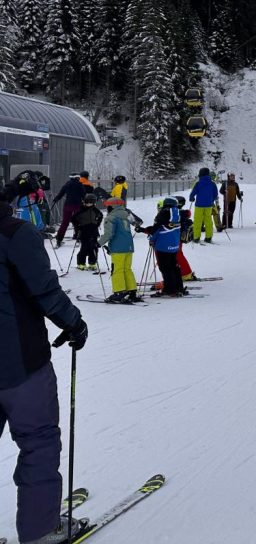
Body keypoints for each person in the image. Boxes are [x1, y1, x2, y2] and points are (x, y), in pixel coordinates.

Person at [1, 180, 89, 544]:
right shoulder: (15, 233)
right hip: (19, 363)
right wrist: (73, 323)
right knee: (38, 441)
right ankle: (39, 530)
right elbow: (44, 289)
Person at [97, 197, 139, 303]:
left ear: (112, 206)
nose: (107, 208)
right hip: (129, 247)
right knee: (127, 269)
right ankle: (132, 291)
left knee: (117, 270)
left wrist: (98, 243)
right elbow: (137, 223)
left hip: (118, 248)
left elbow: (109, 233)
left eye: (108, 206)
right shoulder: (127, 215)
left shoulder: (111, 218)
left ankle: (119, 292)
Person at [145, 198, 184, 296]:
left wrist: (151, 239)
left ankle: (170, 289)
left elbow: (156, 229)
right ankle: (179, 287)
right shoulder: (178, 214)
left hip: (163, 246)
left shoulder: (162, 214)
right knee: (174, 266)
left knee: (165, 268)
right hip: (174, 245)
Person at [50, 173, 86, 247]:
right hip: (77, 205)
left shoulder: (67, 184)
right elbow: (84, 195)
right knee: (78, 222)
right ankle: (79, 238)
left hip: (67, 205)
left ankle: (59, 239)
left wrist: (56, 199)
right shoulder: (80, 185)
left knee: (65, 223)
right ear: (77, 178)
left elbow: (61, 194)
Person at [71, 194, 103, 273]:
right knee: (84, 247)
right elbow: (73, 218)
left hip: (93, 231)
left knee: (94, 247)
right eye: (87, 202)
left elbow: (100, 216)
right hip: (84, 231)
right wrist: (78, 227)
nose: (89, 204)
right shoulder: (81, 209)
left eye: (91, 202)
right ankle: (81, 263)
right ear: (84, 202)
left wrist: (97, 223)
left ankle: (92, 262)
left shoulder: (95, 210)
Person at [188, 167, 218, 243]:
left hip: (199, 205)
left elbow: (193, 192)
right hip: (209, 205)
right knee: (208, 221)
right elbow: (215, 194)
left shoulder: (198, 183)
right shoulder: (212, 183)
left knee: (198, 221)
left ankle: (196, 237)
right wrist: (212, 200)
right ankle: (208, 237)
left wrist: (191, 198)